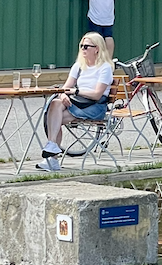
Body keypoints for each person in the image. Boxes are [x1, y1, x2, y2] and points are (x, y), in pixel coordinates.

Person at [37, 34, 115, 172]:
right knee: (55, 103)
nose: (83, 49)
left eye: (86, 47)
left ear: (97, 49)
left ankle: (52, 157)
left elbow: (97, 95)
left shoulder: (105, 68)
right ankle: (51, 147)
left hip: (94, 106)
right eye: (81, 46)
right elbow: (65, 87)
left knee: (54, 118)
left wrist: (75, 92)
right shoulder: (78, 66)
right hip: (77, 103)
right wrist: (62, 95)